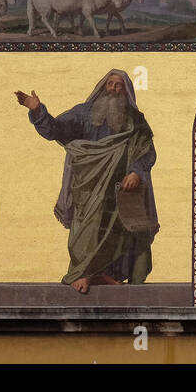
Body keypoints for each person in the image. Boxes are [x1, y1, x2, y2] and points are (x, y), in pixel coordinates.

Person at [14, 69, 159, 293]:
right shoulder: (83, 113)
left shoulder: (135, 120)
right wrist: (38, 111)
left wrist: (136, 172)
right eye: (109, 83)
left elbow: (147, 151)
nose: (113, 88)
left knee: (122, 233)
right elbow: (55, 130)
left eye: (118, 85)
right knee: (86, 230)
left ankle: (104, 275)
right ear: (102, 87)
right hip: (89, 187)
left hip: (122, 190)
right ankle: (84, 272)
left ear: (126, 90)